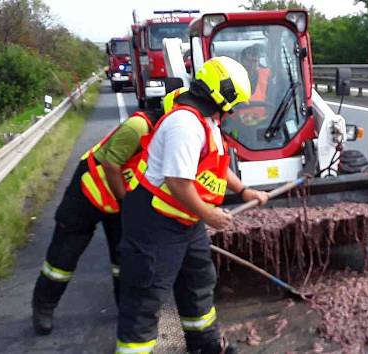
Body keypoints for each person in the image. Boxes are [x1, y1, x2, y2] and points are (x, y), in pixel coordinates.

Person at [115, 56, 269, 354]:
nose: (235, 110)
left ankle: (206, 347)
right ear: (220, 96)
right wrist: (210, 214)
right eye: (233, 102)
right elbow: (178, 183)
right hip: (155, 222)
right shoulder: (185, 124)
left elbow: (214, 165)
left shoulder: (207, 121)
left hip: (186, 218)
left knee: (197, 282)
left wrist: (244, 190)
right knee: (146, 298)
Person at [31, 108, 157, 335]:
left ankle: (126, 310)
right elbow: (111, 165)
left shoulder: (167, 138)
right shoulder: (138, 127)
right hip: (85, 196)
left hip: (119, 203)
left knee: (125, 259)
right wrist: (126, 203)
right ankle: (43, 307)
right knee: (62, 258)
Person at [237, 43, 271, 126]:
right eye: (248, 61)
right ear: (241, 61)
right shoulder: (233, 77)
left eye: (255, 61)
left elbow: (274, 99)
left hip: (265, 124)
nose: (251, 65)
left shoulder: (268, 75)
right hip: (237, 125)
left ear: (258, 61)